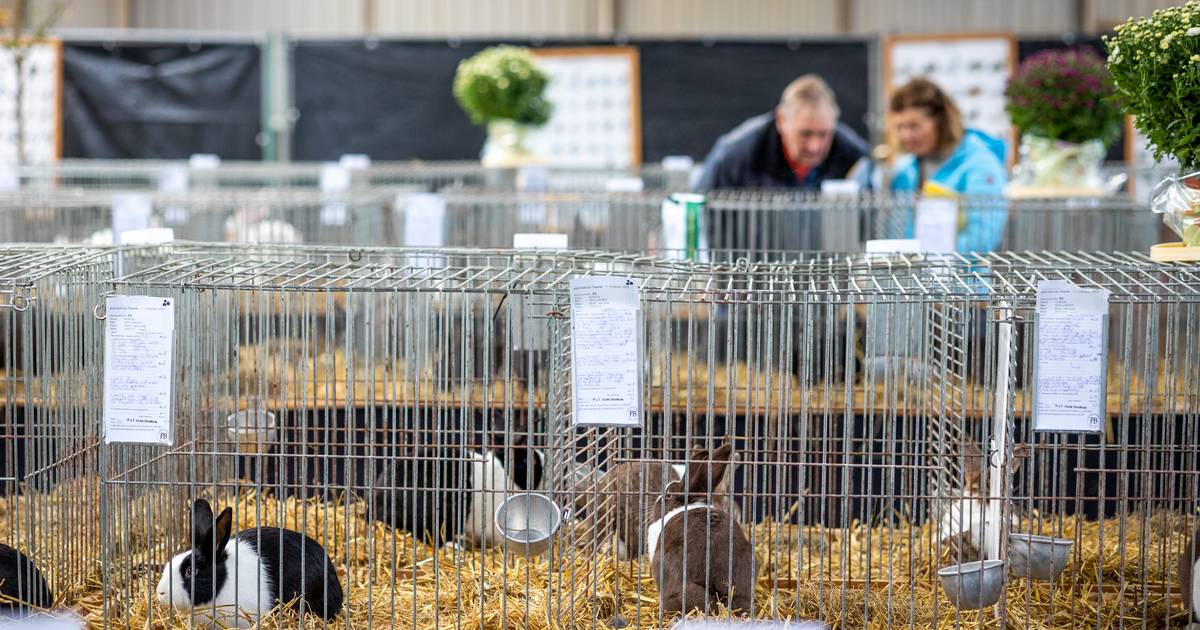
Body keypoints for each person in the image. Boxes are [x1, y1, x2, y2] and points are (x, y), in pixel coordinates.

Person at [888, 78, 1008, 253]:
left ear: (941, 122)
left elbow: (982, 238)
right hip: (912, 276)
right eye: (900, 127)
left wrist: (926, 261)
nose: (906, 136)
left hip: (964, 277)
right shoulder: (905, 170)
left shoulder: (980, 165)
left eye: (914, 126)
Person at [694, 75, 871, 192]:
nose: (815, 146)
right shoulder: (734, 156)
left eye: (824, 134)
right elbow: (700, 215)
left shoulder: (852, 154)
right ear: (781, 120)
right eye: (805, 134)